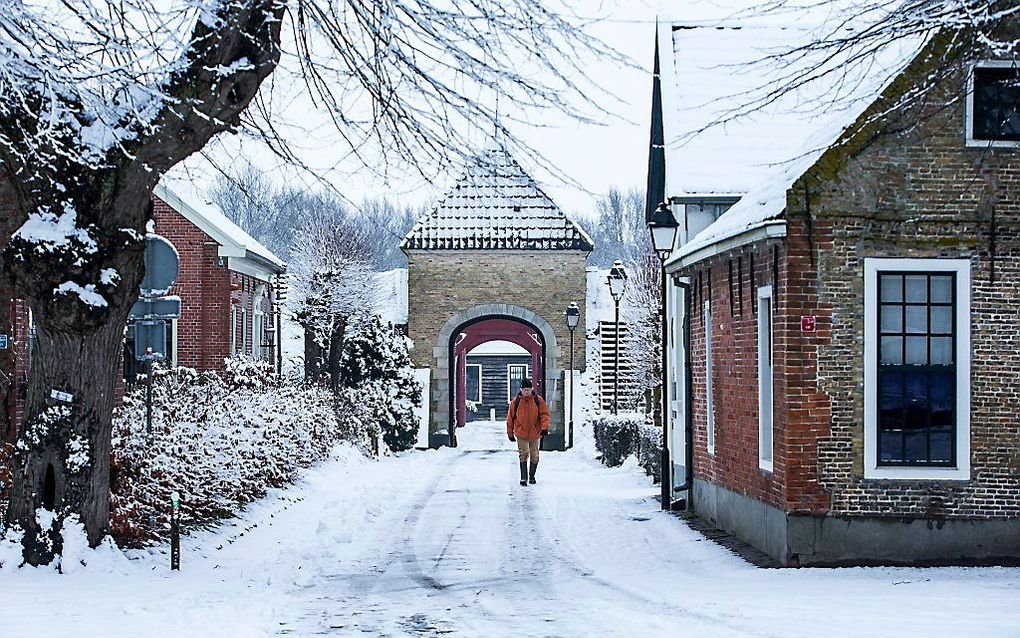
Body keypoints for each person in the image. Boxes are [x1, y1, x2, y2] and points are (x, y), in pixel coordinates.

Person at [506, 378, 550, 486]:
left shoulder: (538, 400)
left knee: (535, 455)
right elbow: (510, 419)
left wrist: (545, 428)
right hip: (521, 432)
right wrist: (510, 433)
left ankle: (532, 476)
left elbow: (545, 415)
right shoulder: (515, 402)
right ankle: (523, 478)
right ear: (521, 389)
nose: (526, 392)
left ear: (532, 389)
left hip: (535, 432)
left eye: (528, 389)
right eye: (524, 389)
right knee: (523, 453)